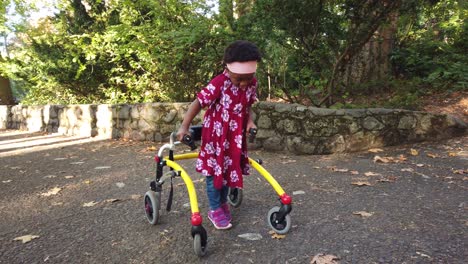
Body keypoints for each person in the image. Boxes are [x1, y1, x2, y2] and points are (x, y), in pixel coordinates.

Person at [177, 40, 261, 230]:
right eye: (239, 78)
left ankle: (223, 203)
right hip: (216, 138)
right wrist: (184, 127)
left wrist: (249, 121)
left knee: (228, 170)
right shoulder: (219, 83)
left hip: (235, 138)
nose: (243, 83)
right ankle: (215, 209)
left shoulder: (251, 84)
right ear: (227, 68)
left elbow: (248, 106)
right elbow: (198, 102)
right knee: (215, 172)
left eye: (248, 77)